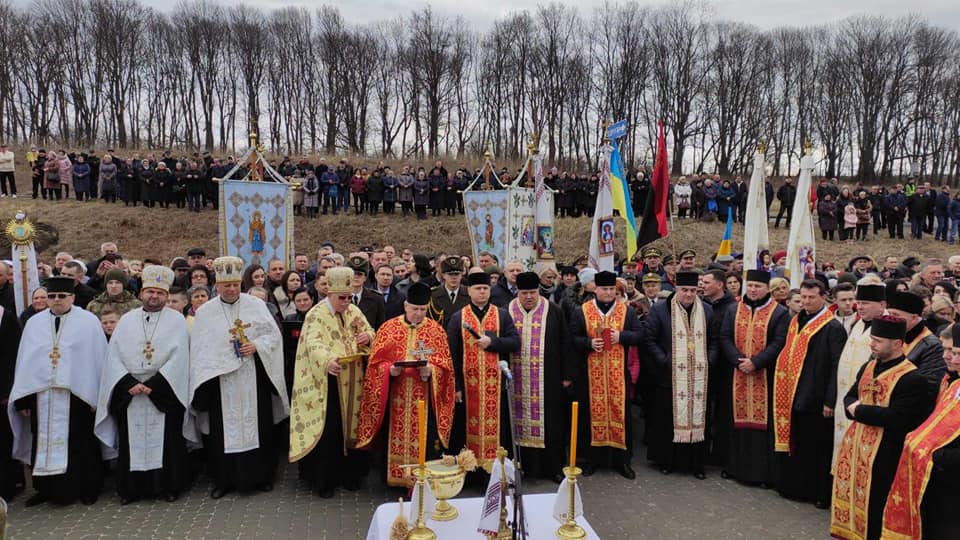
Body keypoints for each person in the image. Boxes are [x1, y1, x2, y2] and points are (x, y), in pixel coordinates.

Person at [188, 256, 289, 499]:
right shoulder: (206, 312)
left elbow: (273, 337)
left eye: (235, 284)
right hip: (220, 382)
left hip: (253, 376)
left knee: (259, 427)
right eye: (226, 285)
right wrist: (222, 358)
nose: (232, 289)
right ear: (217, 285)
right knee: (223, 432)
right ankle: (223, 480)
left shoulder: (256, 305)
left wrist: (256, 346)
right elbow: (201, 349)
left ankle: (262, 477)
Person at [93, 266, 193, 505]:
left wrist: (154, 385)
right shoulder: (127, 320)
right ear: (141, 293)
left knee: (168, 443)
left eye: (160, 293)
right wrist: (129, 383)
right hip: (131, 393)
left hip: (164, 391)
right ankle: (131, 489)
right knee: (131, 441)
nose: (154, 296)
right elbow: (113, 356)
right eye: (150, 291)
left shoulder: (176, 320)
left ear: (166, 295)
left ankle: (169, 486)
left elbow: (180, 358)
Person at [830, 316, 933, 540]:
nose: (872, 344)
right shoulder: (869, 366)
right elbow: (849, 398)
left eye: (878, 340)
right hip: (857, 449)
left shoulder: (912, 378)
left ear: (897, 343)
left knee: (876, 510)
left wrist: (859, 410)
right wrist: (856, 408)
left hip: (885, 454)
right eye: (872, 339)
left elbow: (898, 418)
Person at [9, 276, 108, 506]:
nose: (56, 300)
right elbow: (25, 363)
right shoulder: (34, 323)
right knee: (42, 441)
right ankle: (46, 489)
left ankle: (87, 487)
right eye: (51, 296)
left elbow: (98, 359)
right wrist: (24, 400)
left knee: (81, 442)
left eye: (61, 296)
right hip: (42, 395)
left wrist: (96, 395)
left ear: (72, 297)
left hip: (78, 395)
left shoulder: (88, 322)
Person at [355, 282, 455, 487]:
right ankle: (395, 478)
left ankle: (422, 481)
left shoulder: (436, 331)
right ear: (406, 306)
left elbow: (446, 367)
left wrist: (432, 370)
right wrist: (389, 370)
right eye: (415, 309)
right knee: (392, 436)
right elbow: (374, 364)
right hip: (395, 398)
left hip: (424, 398)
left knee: (426, 439)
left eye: (423, 310)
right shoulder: (388, 328)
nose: (418, 314)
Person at [289, 267, 375, 497]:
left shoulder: (354, 310)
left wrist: (368, 336)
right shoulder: (316, 315)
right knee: (331, 431)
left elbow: (368, 329)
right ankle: (325, 480)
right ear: (330, 294)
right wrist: (327, 361)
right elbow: (313, 344)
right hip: (328, 381)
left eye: (349, 297)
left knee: (352, 428)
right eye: (342, 298)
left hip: (354, 379)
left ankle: (351, 475)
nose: (346, 303)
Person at [772, 279, 846, 509]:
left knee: (817, 447)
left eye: (811, 297)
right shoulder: (797, 319)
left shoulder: (832, 327)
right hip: (794, 391)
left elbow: (837, 366)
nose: (806, 301)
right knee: (799, 443)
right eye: (803, 297)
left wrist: (830, 400)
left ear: (823, 297)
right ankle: (795, 487)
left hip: (816, 396)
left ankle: (817, 492)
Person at [882, 324, 960, 539]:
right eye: (949, 351)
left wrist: (935, 455)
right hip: (940, 480)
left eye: (956, 353)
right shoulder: (954, 385)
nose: (949, 358)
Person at [569, 270, 643, 479]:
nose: (608, 292)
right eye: (604, 289)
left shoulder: (626, 311)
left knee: (620, 414)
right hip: (590, 376)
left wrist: (621, 336)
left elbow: (640, 335)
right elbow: (572, 338)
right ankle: (592, 460)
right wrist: (589, 343)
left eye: (611, 289)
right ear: (595, 289)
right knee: (591, 416)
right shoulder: (582, 311)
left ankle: (622, 461)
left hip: (618, 376)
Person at [718, 270, 789, 486]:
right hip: (737, 375)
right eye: (750, 286)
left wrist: (756, 363)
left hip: (764, 376)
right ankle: (734, 468)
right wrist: (738, 360)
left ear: (767, 288)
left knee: (763, 427)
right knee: (735, 424)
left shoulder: (779, 312)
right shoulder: (734, 309)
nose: (753, 290)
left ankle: (761, 474)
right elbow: (724, 336)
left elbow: (779, 342)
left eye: (758, 286)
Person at [644, 271, 716, 479]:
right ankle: (667, 460)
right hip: (670, 377)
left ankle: (697, 464)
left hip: (699, 378)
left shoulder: (707, 310)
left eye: (693, 290)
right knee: (668, 419)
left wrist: (709, 360)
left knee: (699, 417)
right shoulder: (661, 309)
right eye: (684, 290)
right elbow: (650, 339)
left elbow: (715, 340)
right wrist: (665, 360)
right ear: (676, 289)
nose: (689, 294)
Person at [445, 271, 520, 470]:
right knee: (465, 428)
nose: (482, 292)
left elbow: (515, 342)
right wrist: (456, 386)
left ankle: (495, 471)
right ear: (469, 291)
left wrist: (493, 342)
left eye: (485, 288)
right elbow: (451, 354)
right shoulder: (458, 318)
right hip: (467, 388)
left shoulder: (502, 315)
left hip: (496, 387)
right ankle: (470, 469)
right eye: (478, 288)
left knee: (499, 429)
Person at [506, 272, 575, 483]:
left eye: (533, 292)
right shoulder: (507, 311)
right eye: (524, 293)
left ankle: (553, 468)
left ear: (539, 291)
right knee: (516, 423)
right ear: (518, 292)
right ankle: (522, 468)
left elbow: (565, 342)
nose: (529, 297)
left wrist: (567, 374)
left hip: (548, 378)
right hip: (516, 380)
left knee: (552, 423)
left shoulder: (553, 311)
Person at [832, 283, 887, 472]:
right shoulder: (858, 324)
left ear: (882, 304)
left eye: (866, 303)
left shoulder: (888, 327)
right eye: (859, 302)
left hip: (868, 399)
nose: (860, 307)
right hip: (846, 397)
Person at [887, 291, 946, 388]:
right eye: (889, 314)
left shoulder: (932, 346)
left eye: (896, 315)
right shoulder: (888, 336)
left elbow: (929, 385)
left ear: (914, 318)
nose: (890, 319)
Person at [0, 299, 22, 499]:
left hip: (2, 391)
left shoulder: (5, 318)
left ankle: (8, 486)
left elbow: (13, 357)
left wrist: (8, 390)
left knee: (4, 441)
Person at [428, 256, 469, 329]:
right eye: (450, 274)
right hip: (441, 333)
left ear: (461, 275)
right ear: (443, 275)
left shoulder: (469, 294)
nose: (454, 277)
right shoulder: (433, 295)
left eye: (457, 274)